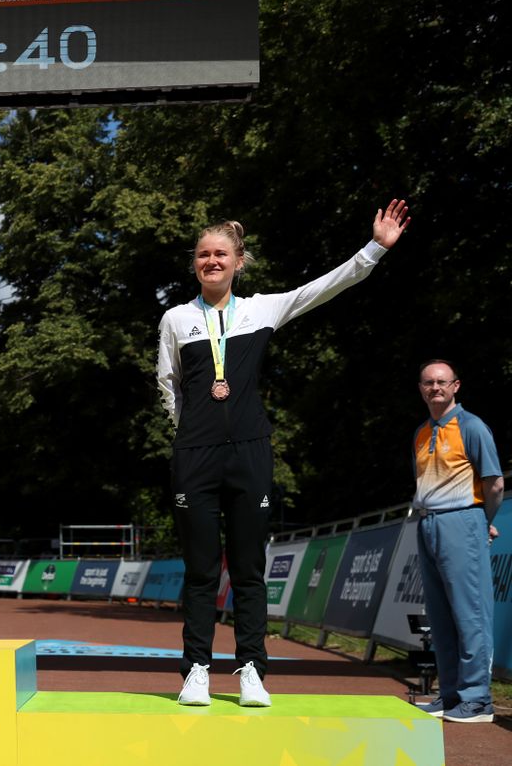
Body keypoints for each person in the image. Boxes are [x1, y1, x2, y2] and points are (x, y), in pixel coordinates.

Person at [155, 200, 410, 708]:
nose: (212, 261)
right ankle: (197, 671)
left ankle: (251, 668)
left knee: (249, 569)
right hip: (196, 456)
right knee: (202, 569)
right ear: (194, 264)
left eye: (221, 254)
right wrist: (192, 431)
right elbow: (168, 383)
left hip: (250, 452)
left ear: (238, 261)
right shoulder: (176, 319)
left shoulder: (262, 309)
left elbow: (325, 285)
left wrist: (375, 249)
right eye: (203, 255)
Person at [410, 360, 503, 723]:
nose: (436, 388)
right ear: (421, 388)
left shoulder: (472, 426)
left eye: (442, 382)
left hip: (462, 521)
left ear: (456, 386)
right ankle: (450, 695)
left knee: (471, 615)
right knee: (441, 617)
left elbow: (494, 483)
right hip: (428, 523)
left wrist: (482, 522)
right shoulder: (420, 432)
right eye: (429, 382)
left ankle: (477, 700)